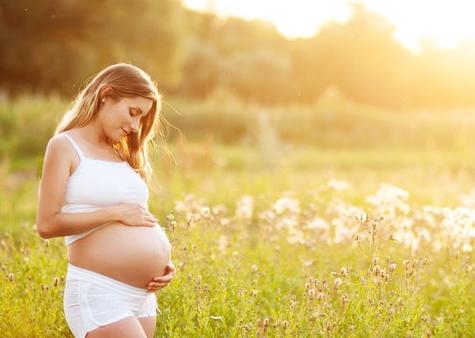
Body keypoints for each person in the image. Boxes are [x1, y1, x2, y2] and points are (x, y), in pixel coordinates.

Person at [35, 63, 175, 338]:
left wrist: (163, 264)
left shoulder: (122, 154)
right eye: (133, 112)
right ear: (106, 95)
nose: (135, 126)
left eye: (141, 118)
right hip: (99, 291)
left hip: (142, 297)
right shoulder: (64, 146)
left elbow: (136, 216)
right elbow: (46, 224)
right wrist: (115, 213)